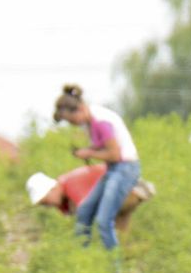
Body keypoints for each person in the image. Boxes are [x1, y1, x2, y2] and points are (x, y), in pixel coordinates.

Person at [52, 85, 141, 251]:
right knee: (84, 212)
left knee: (104, 220)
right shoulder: (90, 122)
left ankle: (115, 268)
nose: (73, 124)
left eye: (72, 120)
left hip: (125, 168)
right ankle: (82, 258)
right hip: (113, 169)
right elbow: (104, 148)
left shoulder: (100, 121)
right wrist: (89, 151)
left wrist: (88, 153)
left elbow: (115, 154)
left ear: (79, 109)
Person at [25, 165, 155, 233]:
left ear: (52, 189)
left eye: (45, 201)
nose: (47, 206)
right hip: (126, 193)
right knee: (120, 238)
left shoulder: (71, 185)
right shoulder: (65, 194)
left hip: (133, 190)